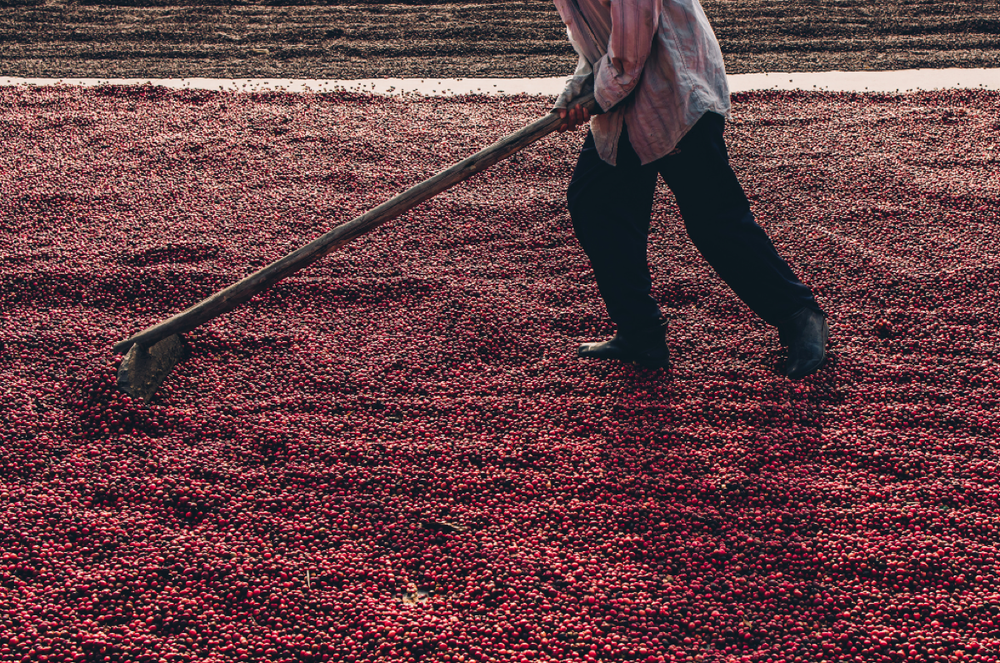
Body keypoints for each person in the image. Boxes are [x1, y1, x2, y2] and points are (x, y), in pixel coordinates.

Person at [551, 0, 828, 379]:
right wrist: (578, 90)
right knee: (597, 204)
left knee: (714, 219)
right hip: (627, 101)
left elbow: (630, 50)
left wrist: (596, 96)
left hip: (674, 93)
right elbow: (601, 40)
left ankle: (798, 314)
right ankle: (641, 332)